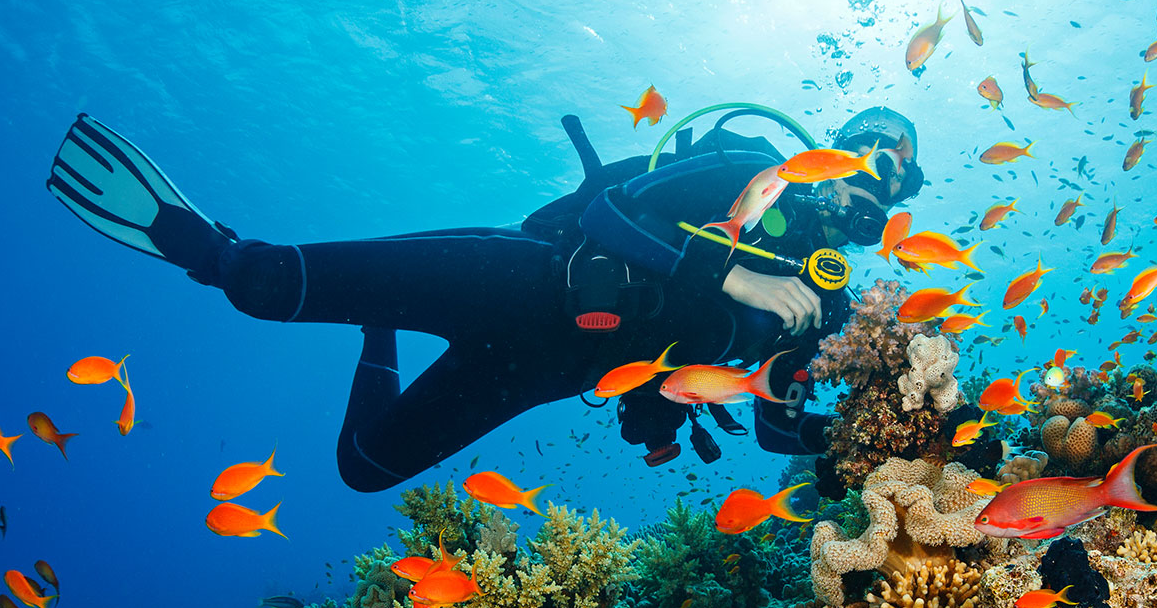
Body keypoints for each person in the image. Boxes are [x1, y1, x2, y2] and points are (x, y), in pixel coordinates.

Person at [45, 105, 925, 491]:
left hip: (549, 368)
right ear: (839, 153)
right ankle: (185, 233)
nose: (880, 188)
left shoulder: (833, 306)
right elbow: (605, 212)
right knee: (263, 282)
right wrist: (729, 272)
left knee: (363, 468)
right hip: (524, 275)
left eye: (900, 179)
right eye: (874, 159)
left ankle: (378, 332)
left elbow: (774, 421)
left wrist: (850, 449)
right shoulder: (754, 172)